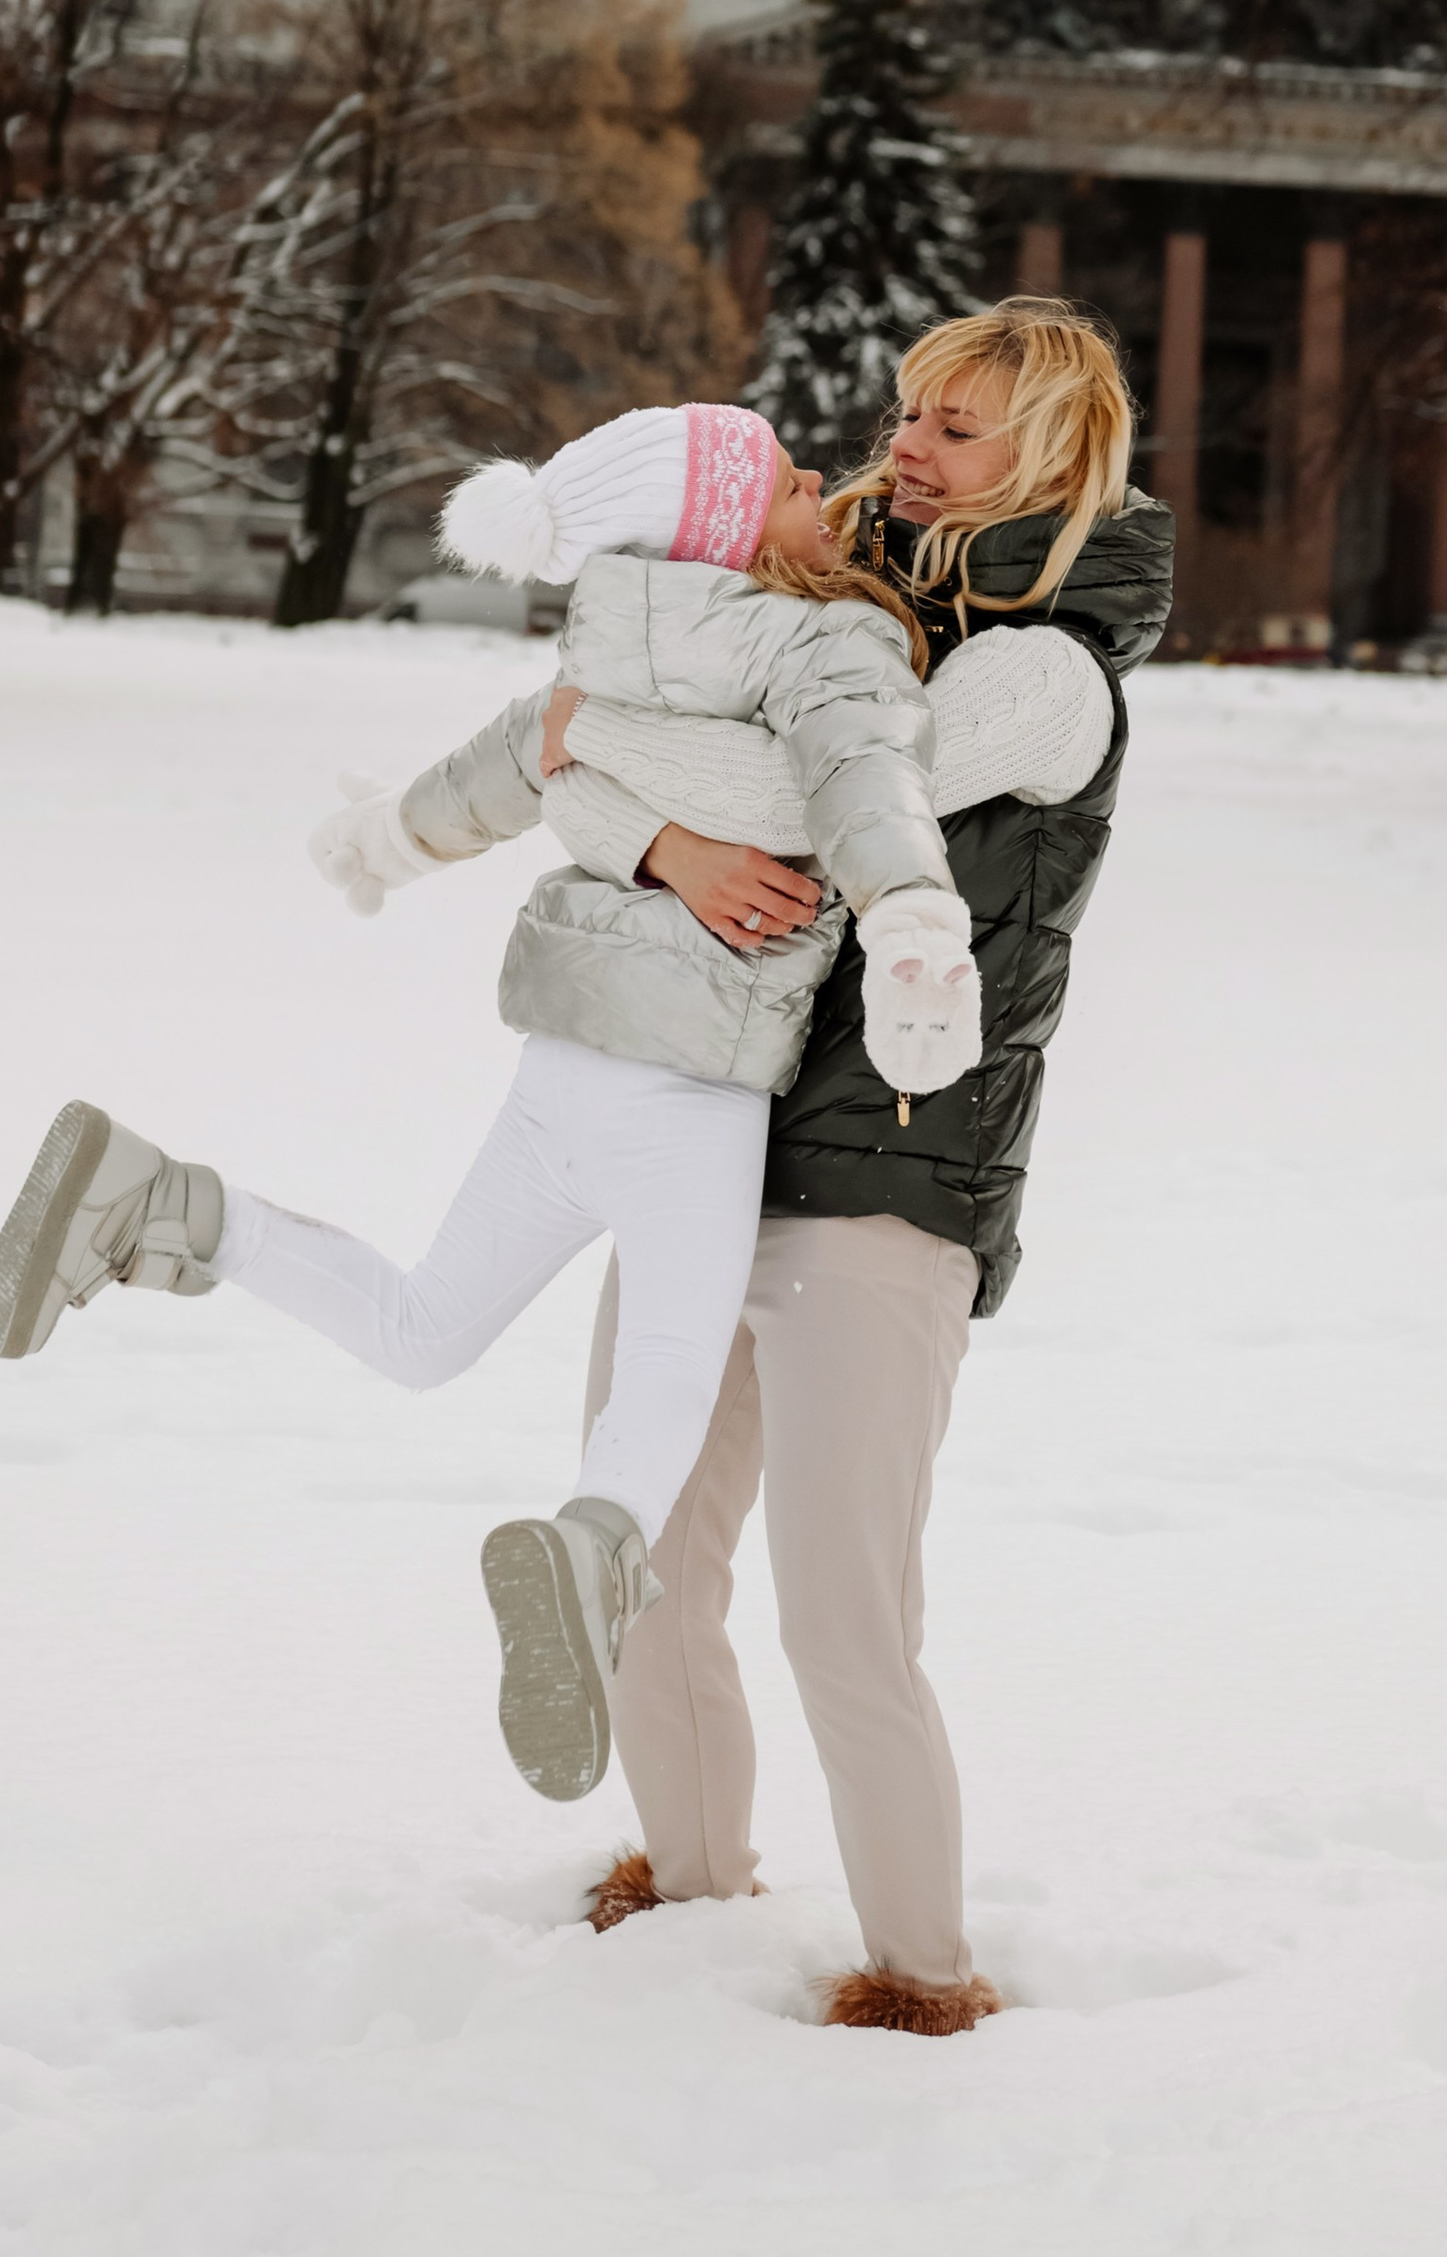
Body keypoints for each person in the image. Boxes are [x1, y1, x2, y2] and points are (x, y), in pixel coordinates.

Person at [0, 401, 979, 1803]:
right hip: (689, 1087)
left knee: (423, 1329)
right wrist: (916, 909)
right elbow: (867, 780)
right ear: (731, 531)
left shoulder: (602, 643)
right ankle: (595, 1548)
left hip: (562, 1065)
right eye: (785, 477)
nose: (822, 479)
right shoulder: (827, 642)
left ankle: (169, 1203)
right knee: (672, 1373)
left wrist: (384, 840)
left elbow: (500, 771)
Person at [545, 298, 1174, 2037]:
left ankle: (922, 1976)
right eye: (910, 413)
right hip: (711, 1141)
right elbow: (645, 796)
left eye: (958, 431)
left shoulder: (1044, 673)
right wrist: (639, 810)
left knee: (843, 1617)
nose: (909, 446)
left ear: (1051, 461)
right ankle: (682, 1889)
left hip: (892, 1183)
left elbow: (817, 794)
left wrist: (589, 737)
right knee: (647, 1558)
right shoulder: (851, 605)